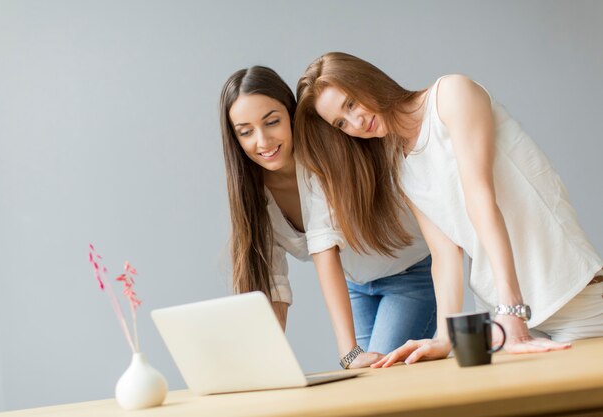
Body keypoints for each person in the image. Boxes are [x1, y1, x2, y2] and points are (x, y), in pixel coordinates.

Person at [293, 52, 603, 366]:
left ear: (366, 80)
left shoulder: (451, 95)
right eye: (341, 123)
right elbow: (443, 254)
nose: (356, 123)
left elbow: (480, 198)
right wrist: (443, 336)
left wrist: (512, 310)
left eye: (351, 103)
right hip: (503, 323)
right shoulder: (399, 164)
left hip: (570, 300)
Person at [219, 66, 438, 368]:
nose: (263, 141)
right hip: (357, 287)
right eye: (246, 132)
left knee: (376, 387)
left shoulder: (318, 158)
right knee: (372, 394)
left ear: (291, 115)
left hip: (407, 275)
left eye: (272, 122)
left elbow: (325, 249)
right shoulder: (254, 196)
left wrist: (348, 353)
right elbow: (273, 286)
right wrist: (263, 368)